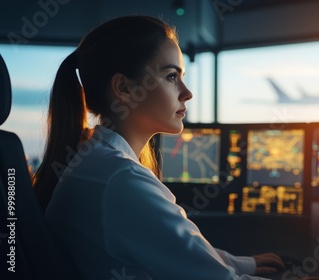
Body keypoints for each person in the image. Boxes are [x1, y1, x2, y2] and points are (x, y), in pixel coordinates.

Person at [32, 15, 285, 280]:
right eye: (171, 76)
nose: (187, 92)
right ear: (124, 88)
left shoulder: (94, 160)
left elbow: (174, 247)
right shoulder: (120, 179)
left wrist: (244, 264)